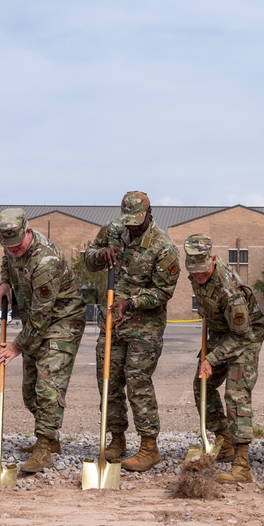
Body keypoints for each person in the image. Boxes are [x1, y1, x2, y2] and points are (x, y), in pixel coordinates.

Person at [83, 191, 180, 471]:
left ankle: (149, 447)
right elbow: (88, 258)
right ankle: (117, 440)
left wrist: (131, 302)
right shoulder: (114, 230)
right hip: (112, 324)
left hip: (144, 328)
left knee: (137, 382)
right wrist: (100, 254)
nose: (132, 227)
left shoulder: (163, 247)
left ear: (150, 215)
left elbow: (163, 292)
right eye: (129, 222)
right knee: (109, 383)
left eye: (137, 222)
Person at [0, 208, 86, 473]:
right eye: (8, 246)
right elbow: (6, 259)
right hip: (36, 322)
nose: (14, 251)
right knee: (30, 390)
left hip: (62, 322)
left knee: (48, 385)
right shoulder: (12, 247)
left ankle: (44, 446)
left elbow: (41, 314)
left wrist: (17, 346)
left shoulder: (45, 261)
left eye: (17, 246)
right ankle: (51, 438)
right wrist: (4, 283)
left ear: (28, 231)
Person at [184, 234, 264, 483]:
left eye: (202, 271)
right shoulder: (197, 273)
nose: (198, 276)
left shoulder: (230, 290)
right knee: (202, 384)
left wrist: (212, 357)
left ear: (213, 260)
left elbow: (241, 335)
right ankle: (225, 441)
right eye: (194, 271)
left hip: (246, 337)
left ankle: (242, 465)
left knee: (236, 395)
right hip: (222, 333)